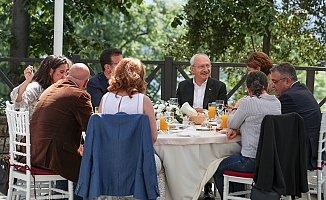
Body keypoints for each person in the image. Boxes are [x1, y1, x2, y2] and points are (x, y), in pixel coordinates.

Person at [98, 57, 165, 199]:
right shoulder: (143, 101)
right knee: (162, 166)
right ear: (139, 77)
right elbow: (153, 137)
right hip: (137, 164)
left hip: (108, 163)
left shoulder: (105, 98)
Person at [213, 71, 281, 199]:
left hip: (251, 160)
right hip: (270, 161)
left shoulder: (248, 102)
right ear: (266, 87)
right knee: (233, 164)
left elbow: (232, 123)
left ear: (248, 89)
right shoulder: (276, 103)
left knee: (217, 169)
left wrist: (235, 108)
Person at [30, 63, 93, 198]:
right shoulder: (80, 95)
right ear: (86, 82)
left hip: (33, 152)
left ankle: (62, 196)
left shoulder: (51, 88)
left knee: (77, 156)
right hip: (51, 156)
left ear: (68, 74)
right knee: (88, 166)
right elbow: (91, 128)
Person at [270, 62, 322, 170]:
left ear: (287, 81)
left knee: (262, 153)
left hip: (304, 155)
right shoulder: (302, 89)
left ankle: (265, 185)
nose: (272, 86)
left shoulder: (288, 97)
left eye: (275, 81)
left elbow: (276, 127)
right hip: (314, 149)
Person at [10, 55, 70, 119]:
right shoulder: (36, 87)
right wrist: (27, 80)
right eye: (61, 72)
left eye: (66, 72)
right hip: (34, 127)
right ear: (51, 71)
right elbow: (17, 101)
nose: (64, 76)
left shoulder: (63, 89)